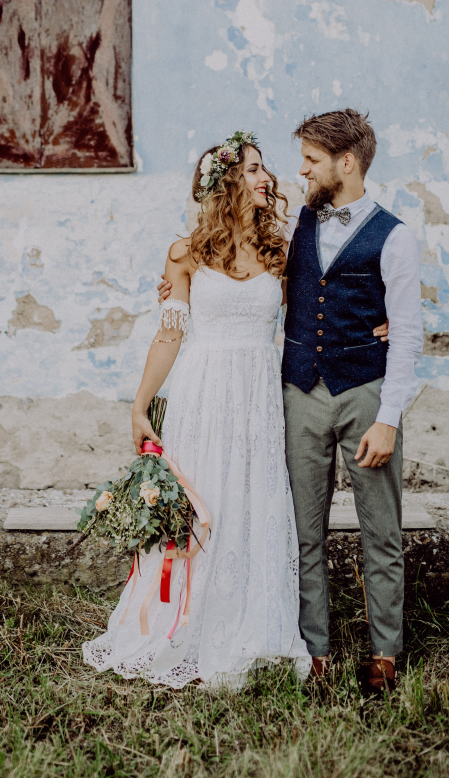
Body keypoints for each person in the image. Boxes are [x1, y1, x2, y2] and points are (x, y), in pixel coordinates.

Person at [83, 130, 313, 688]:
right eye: (254, 169)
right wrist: (140, 406)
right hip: (202, 396)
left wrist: (373, 326)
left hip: (258, 398)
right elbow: (170, 335)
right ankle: (184, 624)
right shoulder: (185, 253)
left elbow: (314, 314)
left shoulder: (278, 250)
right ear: (228, 181)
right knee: (204, 502)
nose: (267, 178)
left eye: (264, 169)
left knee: (250, 503)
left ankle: (252, 627)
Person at [282, 109, 423, 694]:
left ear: (347, 162)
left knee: (379, 528)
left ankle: (384, 650)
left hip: (364, 392)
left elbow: (409, 332)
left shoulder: (395, 235)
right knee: (303, 529)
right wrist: (180, 277)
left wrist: (388, 419)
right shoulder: (297, 221)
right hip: (300, 391)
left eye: (312, 160)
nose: (303, 170)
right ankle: (313, 648)